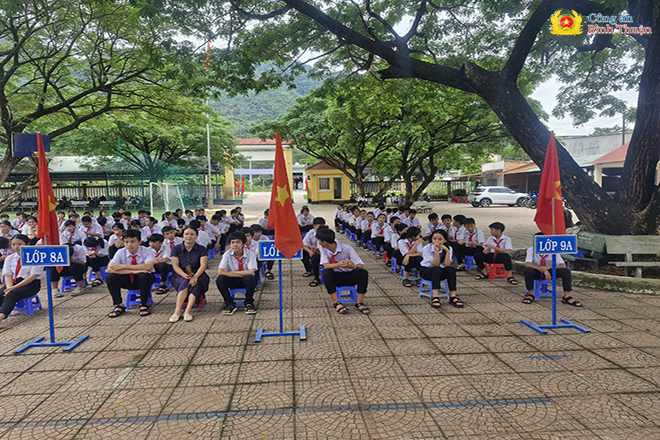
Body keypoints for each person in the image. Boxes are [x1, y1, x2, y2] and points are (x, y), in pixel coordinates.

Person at [317, 228, 370, 315]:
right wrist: (339, 265)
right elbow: (325, 265)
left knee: (363, 272)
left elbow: (361, 265)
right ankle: (336, 303)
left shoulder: (347, 248)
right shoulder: (323, 249)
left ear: (324, 242)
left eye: (319, 240)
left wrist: (354, 266)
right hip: (336, 277)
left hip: (350, 275)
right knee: (326, 273)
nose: (318, 242)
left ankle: (359, 303)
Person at [105, 229, 156, 318]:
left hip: (144, 280)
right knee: (110, 277)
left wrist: (123, 267)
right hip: (127, 279)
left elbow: (148, 267)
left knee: (144, 276)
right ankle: (119, 305)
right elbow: (109, 269)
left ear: (139, 241)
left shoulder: (147, 251)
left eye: (133, 241)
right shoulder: (121, 252)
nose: (129, 245)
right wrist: (134, 271)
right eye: (126, 242)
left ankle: (144, 304)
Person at [523, 233, 582, 307]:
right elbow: (527, 264)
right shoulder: (531, 249)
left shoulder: (552, 249)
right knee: (528, 270)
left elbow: (562, 265)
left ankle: (567, 296)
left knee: (566, 271)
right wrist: (541, 269)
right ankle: (530, 294)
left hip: (550, 271)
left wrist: (548, 268)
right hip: (537, 271)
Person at [0, 235, 44, 326]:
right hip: (14, 282)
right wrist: (9, 287)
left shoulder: (35, 256)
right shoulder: (10, 258)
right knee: (2, 293)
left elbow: (33, 276)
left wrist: (13, 288)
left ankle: (1, 316)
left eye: (19, 244)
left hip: (30, 284)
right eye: (13, 244)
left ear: (27, 244)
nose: (16, 247)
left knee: (12, 294)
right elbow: (8, 275)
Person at [169, 227, 210, 322]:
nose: (189, 236)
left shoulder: (201, 249)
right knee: (184, 282)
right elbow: (175, 266)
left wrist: (195, 276)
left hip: (198, 273)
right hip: (180, 274)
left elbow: (203, 265)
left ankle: (188, 311)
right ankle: (177, 311)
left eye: (192, 234)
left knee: (195, 283)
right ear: (183, 235)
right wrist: (184, 275)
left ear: (196, 236)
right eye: (186, 234)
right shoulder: (176, 249)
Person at [216, 231, 258, 315]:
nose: (235, 245)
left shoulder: (250, 254)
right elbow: (220, 271)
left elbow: (251, 271)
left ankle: (249, 302)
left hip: (245, 280)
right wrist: (234, 274)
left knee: (251, 278)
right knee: (220, 279)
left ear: (243, 244)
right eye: (233, 242)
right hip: (232, 279)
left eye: (238, 242)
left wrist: (232, 272)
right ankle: (229, 303)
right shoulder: (227, 254)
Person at [420, 230, 463, 309]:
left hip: (440, 271)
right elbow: (435, 264)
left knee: (450, 269)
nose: (437, 241)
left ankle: (453, 296)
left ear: (445, 240)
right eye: (434, 239)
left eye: (440, 239)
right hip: (427, 271)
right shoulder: (426, 248)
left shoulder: (448, 248)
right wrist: (437, 252)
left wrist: (447, 251)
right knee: (437, 269)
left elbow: (447, 264)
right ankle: (435, 296)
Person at [302, 218, 326, 286]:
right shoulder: (311, 232)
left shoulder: (327, 233)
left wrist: (318, 251)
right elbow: (303, 244)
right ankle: (309, 270)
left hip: (325, 253)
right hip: (315, 251)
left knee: (315, 258)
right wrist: (310, 251)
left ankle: (316, 277)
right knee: (303, 252)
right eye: (319, 226)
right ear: (314, 226)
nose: (321, 228)